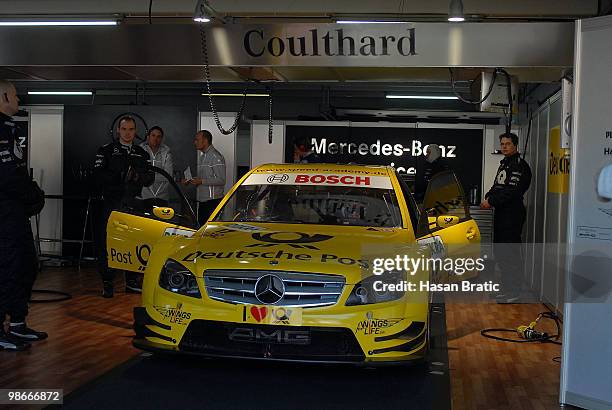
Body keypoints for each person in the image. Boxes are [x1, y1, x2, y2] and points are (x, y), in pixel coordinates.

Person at [0, 79, 47, 351]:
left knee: (26, 265)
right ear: (5, 96)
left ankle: (17, 323)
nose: (19, 99)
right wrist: (32, 195)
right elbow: (5, 177)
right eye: (16, 95)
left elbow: (17, 173)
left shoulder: (11, 127)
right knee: (6, 269)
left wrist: (32, 195)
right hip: (4, 216)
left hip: (16, 214)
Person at [94, 116, 154, 298]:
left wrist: (137, 177)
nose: (127, 133)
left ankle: (132, 281)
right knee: (108, 243)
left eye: (131, 129)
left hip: (133, 203)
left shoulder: (142, 153)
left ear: (135, 132)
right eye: (124, 129)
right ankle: (108, 282)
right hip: (111, 203)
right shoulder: (106, 151)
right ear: (118, 130)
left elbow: (150, 177)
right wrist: (120, 176)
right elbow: (97, 176)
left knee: (134, 242)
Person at [481, 132, 532, 303]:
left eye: (508, 144)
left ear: (515, 145)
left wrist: (492, 201)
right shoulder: (505, 164)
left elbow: (512, 191)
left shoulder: (519, 166)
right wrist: (488, 197)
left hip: (512, 214)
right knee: (501, 253)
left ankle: (514, 292)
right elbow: (498, 186)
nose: (504, 146)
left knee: (510, 253)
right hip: (501, 213)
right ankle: (506, 288)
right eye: (502, 144)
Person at [186, 130, 226, 226]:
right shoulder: (202, 157)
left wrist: (201, 181)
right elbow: (204, 178)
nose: (194, 142)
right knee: (202, 230)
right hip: (203, 202)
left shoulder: (216, 156)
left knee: (210, 233)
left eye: (197, 140)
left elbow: (221, 180)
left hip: (213, 202)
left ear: (205, 140)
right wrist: (191, 180)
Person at [139, 126, 174, 209]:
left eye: (159, 136)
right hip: (143, 197)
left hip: (162, 198)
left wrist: (148, 177)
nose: (156, 138)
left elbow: (168, 176)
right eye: (153, 135)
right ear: (148, 137)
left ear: (161, 139)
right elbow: (139, 175)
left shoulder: (167, 153)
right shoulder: (140, 151)